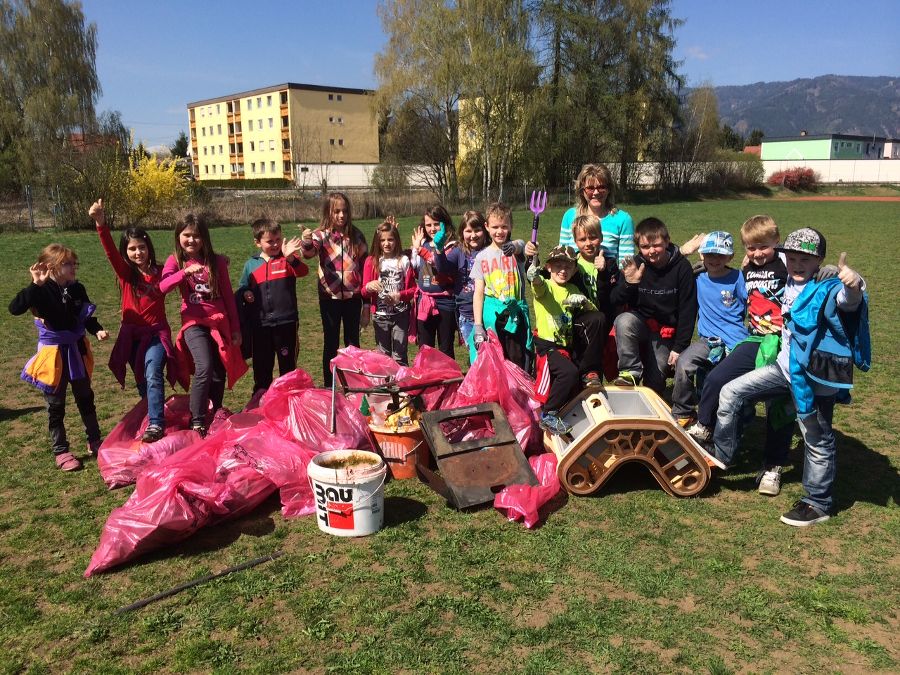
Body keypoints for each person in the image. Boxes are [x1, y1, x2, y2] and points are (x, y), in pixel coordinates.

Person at [698, 229, 868, 527]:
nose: (797, 264)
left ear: (819, 260)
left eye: (805, 259)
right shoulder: (785, 274)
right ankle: (722, 454)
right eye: (791, 257)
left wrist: (855, 284)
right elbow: (759, 254)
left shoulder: (825, 285)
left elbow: (848, 301)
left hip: (814, 380)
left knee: (816, 437)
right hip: (783, 369)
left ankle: (818, 503)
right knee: (731, 392)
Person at [687, 215, 792, 495]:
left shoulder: (786, 262)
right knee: (718, 378)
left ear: (776, 243)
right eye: (751, 248)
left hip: (786, 342)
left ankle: (773, 467)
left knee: (779, 407)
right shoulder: (748, 268)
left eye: (763, 247)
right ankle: (705, 427)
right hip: (757, 338)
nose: (757, 253)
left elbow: (810, 268)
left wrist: (828, 270)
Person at [9, 244, 109, 471]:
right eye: (67, 264)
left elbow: (85, 315)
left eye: (75, 263)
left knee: (86, 397)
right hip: (53, 354)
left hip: (76, 350)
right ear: (52, 267)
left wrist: (98, 329)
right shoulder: (41, 289)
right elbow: (14, 308)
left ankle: (95, 440)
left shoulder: (77, 288)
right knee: (56, 405)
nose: (73, 267)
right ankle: (61, 450)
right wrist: (35, 284)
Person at [90, 198, 179, 443]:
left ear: (148, 247)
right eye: (132, 249)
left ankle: (156, 424)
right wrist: (101, 224)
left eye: (141, 247)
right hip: (131, 337)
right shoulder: (126, 275)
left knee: (152, 373)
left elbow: (182, 267)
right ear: (126, 252)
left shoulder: (162, 272)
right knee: (142, 380)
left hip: (156, 335)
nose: (138, 252)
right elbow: (109, 251)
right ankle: (151, 419)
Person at [160, 214, 246, 436]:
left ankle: (214, 411)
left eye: (196, 235)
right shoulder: (175, 261)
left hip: (219, 323)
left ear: (204, 238)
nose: (191, 240)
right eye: (186, 235)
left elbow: (228, 295)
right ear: (178, 236)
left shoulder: (216, 262)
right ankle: (196, 419)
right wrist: (183, 273)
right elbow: (163, 286)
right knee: (204, 366)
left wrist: (235, 328)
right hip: (194, 323)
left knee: (219, 370)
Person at [610, 217, 697, 394]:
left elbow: (688, 310)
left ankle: (651, 402)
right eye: (645, 247)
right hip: (641, 323)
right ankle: (630, 371)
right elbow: (615, 300)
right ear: (638, 248)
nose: (651, 251)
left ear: (667, 241)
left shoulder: (682, 267)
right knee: (623, 320)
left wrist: (679, 346)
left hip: (665, 331)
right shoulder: (636, 264)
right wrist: (629, 283)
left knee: (655, 383)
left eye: (656, 245)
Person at [670, 231, 748, 427]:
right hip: (708, 340)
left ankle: (737, 418)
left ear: (730, 256)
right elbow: (670, 268)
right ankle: (683, 411)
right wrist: (683, 252)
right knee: (684, 363)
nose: (715, 259)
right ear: (702, 255)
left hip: (737, 341)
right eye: (710, 254)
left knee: (730, 383)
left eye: (721, 255)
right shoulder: (696, 278)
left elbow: (753, 302)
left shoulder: (738, 278)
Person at [528, 245, 606, 435]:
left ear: (574, 270)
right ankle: (548, 415)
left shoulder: (572, 288)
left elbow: (594, 314)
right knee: (569, 373)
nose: (563, 271)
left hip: (566, 345)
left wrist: (585, 302)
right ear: (548, 267)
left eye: (568, 267)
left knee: (574, 373)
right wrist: (535, 277)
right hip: (548, 347)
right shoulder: (547, 286)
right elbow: (538, 287)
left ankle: (574, 413)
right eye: (558, 266)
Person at [301, 192, 369, 387]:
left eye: (345, 211)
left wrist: (366, 302)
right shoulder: (320, 235)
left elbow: (366, 266)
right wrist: (306, 240)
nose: (341, 215)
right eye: (336, 211)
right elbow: (309, 253)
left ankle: (353, 385)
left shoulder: (356, 235)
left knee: (352, 343)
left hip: (352, 298)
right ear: (328, 212)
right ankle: (328, 385)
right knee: (330, 342)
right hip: (329, 298)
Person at [237, 218, 308, 393]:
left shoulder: (287, 260)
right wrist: (245, 292)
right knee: (262, 365)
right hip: (260, 325)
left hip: (286, 323)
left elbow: (303, 272)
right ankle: (260, 397)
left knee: (287, 366)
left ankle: (289, 398)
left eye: (278, 239)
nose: (275, 244)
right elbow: (242, 287)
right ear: (257, 243)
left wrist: (291, 257)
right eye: (270, 241)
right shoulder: (250, 265)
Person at [471, 202, 532, 369]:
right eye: (495, 227)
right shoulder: (482, 257)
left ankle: (519, 392)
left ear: (511, 226)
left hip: (516, 316)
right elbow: (478, 292)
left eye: (504, 226)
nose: (499, 231)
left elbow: (521, 245)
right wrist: (477, 325)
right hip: (493, 316)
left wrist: (514, 246)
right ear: (487, 227)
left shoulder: (514, 251)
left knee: (517, 360)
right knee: (496, 361)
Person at [362, 219, 416, 365]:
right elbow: (363, 291)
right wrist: (369, 286)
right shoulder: (371, 262)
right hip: (380, 316)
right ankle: (385, 386)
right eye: (382, 240)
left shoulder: (403, 260)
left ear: (396, 240)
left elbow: (413, 290)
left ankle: (401, 386)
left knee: (399, 355)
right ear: (377, 242)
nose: (386, 244)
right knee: (383, 356)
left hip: (401, 315)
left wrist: (400, 296)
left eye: (390, 239)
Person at [410, 203, 461, 359]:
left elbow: (439, 264)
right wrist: (415, 249)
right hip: (424, 301)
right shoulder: (424, 243)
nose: (432, 228)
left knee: (445, 348)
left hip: (445, 303)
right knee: (425, 348)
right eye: (428, 225)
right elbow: (414, 267)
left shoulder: (452, 246)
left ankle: (448, 382)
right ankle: (427, 381)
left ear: (445, 223)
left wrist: (420, 250)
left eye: (436, 224)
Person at [557, 163, 634, 264]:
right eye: (590, 188)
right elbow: (562, 258)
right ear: (582, 191)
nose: (596, 192)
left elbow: (626, 266)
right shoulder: (570, 216)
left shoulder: (623, 220)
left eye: (601, 187)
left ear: (609, 189)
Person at [452, 210, 488, 355]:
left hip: (488, 314)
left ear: (485, 230)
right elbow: (442, 267)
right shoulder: (458, 251)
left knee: (492, 356)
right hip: (466, 315)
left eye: (477, 230)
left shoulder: (490, 251)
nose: (473, 235)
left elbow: (516, 245)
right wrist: (440, 250)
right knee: (476, 356)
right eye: (468, 231)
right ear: (462, 233)